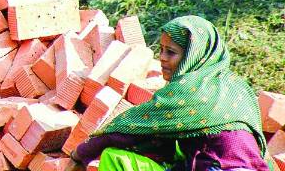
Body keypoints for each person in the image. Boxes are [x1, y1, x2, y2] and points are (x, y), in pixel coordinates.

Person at [70, 15, 271, 171]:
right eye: (161, 49)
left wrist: (80, 152)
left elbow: (126, 132)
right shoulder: (236, 86)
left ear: (192, 56)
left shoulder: (186, 91)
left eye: (171, 52)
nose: (162, 58)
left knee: (114, 158)